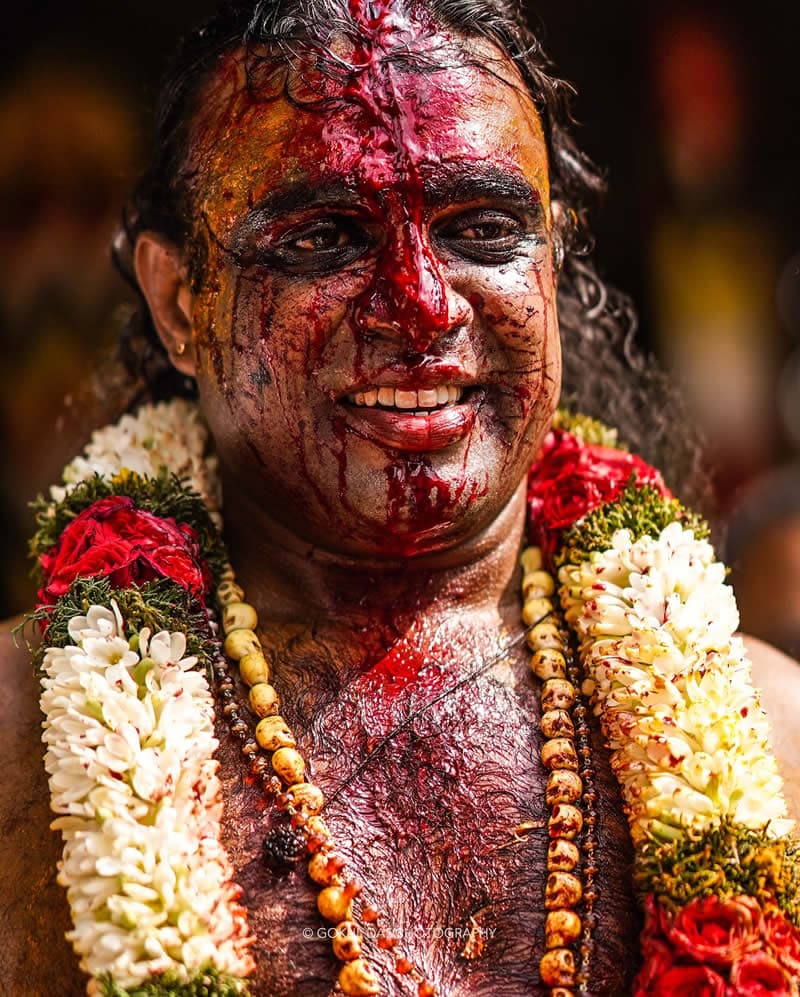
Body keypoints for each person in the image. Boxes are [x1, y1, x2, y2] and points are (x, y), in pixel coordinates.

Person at [2, 2, 799, 995]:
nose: (421, 304)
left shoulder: (774, 740)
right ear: (179, 304)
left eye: (483, 231)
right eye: (326, 237)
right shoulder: (21, 750)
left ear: (554, 260)